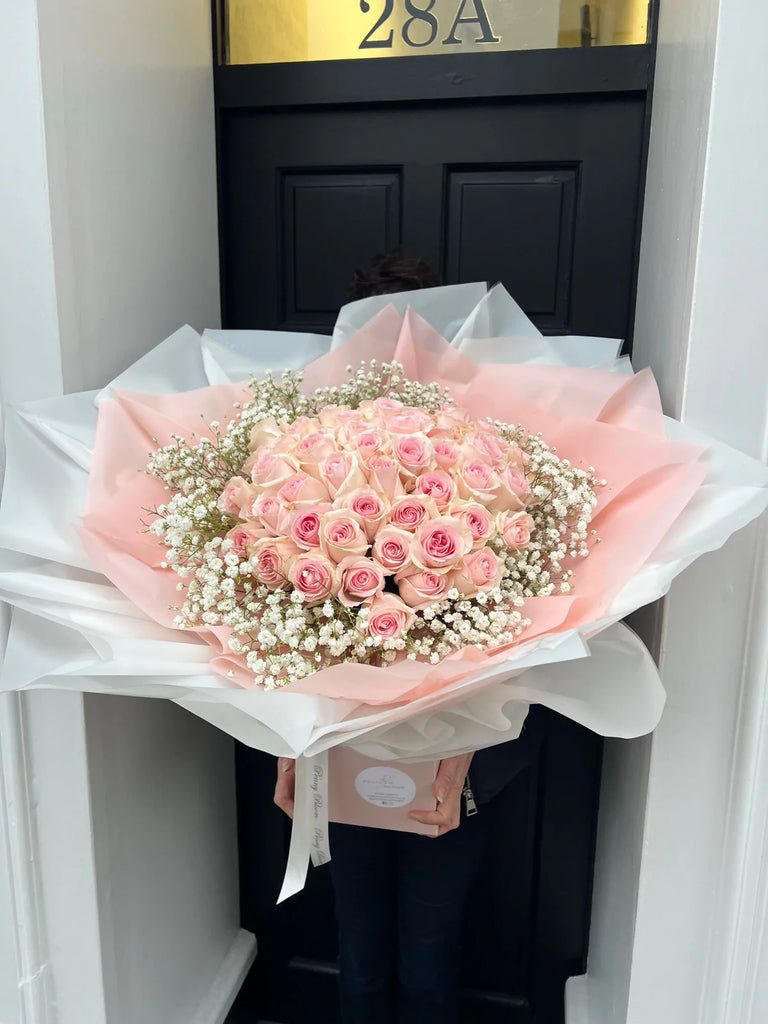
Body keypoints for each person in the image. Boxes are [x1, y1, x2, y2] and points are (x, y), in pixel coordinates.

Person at [274, 253, 550, 1024]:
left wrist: (463, 748)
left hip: (461, 762)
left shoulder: (497, 453)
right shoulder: (310, 458)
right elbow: (275, 625)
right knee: (356, 949)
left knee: (429, 952)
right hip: (347, 748)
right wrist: (287, 742)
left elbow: (538, 621)